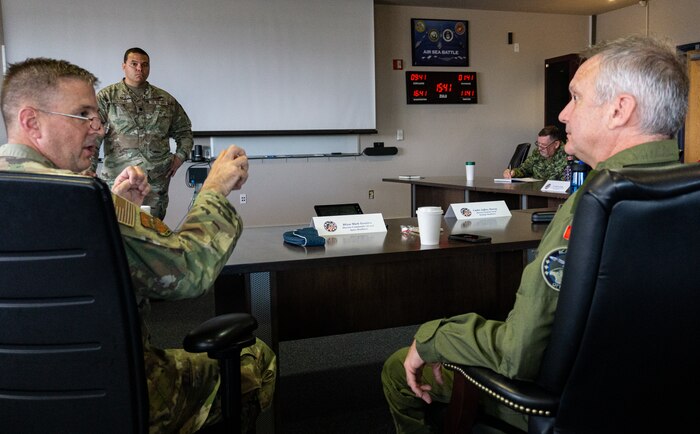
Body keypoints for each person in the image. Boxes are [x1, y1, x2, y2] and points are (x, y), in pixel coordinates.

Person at [382, 34, 688, 433]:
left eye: (575, 97)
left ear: (619, 109)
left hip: (567, 402)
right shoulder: (685, 188)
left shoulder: (595, 203)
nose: (563, 114)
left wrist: (431, 338)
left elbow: (519, 353)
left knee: (396, 368)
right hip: (659, 394)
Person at [0, 57, 276, 434]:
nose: (98, 129)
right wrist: (213, 190)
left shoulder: (90, 202)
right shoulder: (88, 201)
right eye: (83, 115)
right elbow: (188, 272)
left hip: (16, 400)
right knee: (256, 359)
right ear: (32, 121)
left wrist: (121, 207)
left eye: (97, 116)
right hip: (118, 393)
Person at [92, 47, 193, 220]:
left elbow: (184, 132)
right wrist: (89, 170)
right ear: (124, 66)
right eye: (134, 64)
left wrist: (180, 157)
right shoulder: (107, 98)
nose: (140, 68)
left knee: (152, 229)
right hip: (119, 179)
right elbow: (92, 134)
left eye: (145, 65)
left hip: (155, 180)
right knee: (117, 226)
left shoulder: (165, 100)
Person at [503, 125, 569, 180]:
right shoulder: (537, 153)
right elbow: (524, 170)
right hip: (536, 192)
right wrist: (513, 172)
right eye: (538, 144)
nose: (539, 148)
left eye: (543, 145)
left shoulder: (568, 155)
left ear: (556, 144)